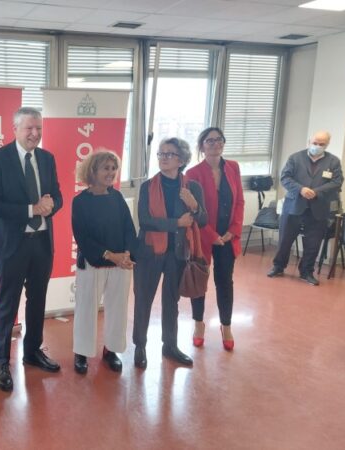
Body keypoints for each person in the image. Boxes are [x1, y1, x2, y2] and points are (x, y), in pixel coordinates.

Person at [0, 107, 63, 392]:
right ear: (15, 128)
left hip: (42, 243)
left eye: (39, 128)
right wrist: (32, 209)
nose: (35, 133)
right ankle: (1, 361)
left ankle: (32, 351)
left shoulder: (47, 158)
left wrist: (52, 206)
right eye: (29, 128)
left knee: (38, 300)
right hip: (11, 245)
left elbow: (58, 196)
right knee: (7, 304)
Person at [133, 137, 207, 369]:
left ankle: (170, 345)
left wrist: (194, 205)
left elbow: (203, 220)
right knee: (143, 299)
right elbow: (145, 221)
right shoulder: (148, 186)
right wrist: (177, 223)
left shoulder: (192, 187)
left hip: (178, 252)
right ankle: (140, 345)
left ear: (181, 160)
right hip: (149, 252)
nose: (163, 158)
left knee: (171, 301)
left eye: (169, 154)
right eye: (161, 154)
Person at [71, 151, 136, 374]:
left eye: (113, 168)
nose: (111, 172)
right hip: (93, 263)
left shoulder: (117, 197)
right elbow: (83, 237)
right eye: (105, 168)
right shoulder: (80, 202)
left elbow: (129, 228)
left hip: (121, 264)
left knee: (118, 309)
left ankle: (111, 350)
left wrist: (127, 253)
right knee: (86, 308)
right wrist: (110, 255)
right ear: (93, 171)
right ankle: (81, 352)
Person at [186, 127, 244, 351]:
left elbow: (239, 202)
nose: (215, 144)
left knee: (225, 282)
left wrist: (234, 229)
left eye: (219, 140)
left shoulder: (233, 167)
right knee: (199, 282)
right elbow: (194, 210)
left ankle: (226, 326)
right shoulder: (193, 173)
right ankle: (198, 324)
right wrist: (211, 235)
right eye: (209, 141)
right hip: (203, 236)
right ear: (202, 146)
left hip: (228, 236)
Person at [267, 131, 343, 286]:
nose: (317, 146)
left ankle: (306, 272)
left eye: (321, 144)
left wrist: (317, 192)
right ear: (309, 142)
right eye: (315, 143)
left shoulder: (333, 161)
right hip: (294, 205)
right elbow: (285, 178)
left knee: (313, 243)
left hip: (318, 208)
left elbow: (337, 182)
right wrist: (301, 189)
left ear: (327, 145)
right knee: (285, 239)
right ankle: (278, 266)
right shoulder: (295, 158)